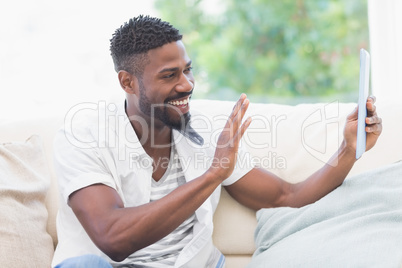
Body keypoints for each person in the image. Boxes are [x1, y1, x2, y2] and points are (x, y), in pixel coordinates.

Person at [51, 15, 382, 268]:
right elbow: (113, 238)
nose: (187, 85)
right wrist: (213, 174)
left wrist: (348, 149)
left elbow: (286, 196)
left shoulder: (208, 132)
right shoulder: (84, 135)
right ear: (127, 82)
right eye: (169, 75)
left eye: (188, 70)